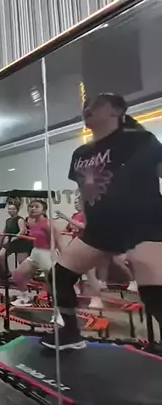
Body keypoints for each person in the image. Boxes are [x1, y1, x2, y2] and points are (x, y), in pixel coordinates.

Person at [45, 93, 162, 350]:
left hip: (143, 226)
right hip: (100, 230)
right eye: (86, 105)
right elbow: (84, 193)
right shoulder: (81, 153)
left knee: (154, 294)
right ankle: (71, 334)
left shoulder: (140, 140)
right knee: (58, 278)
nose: (88, 108)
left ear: (116, 111)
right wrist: (88, 224)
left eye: (96, 104)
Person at [10, 200, 62, 306]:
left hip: (47, 254)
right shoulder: (33, 222)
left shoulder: (48, 223)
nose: (32, 208)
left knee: (51, 285)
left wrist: (59, 255)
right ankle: (25, 297)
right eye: (31, 206)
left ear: (43, 210)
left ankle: (59, 308)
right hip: (36, 252)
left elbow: (58, 240)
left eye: (36, 206)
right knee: (17, 275)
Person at [55, 198, 104, 309]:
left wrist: (65, 217)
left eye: (79, 202)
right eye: (75, 202)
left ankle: (97, 299)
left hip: (88, 247)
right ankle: (75, 293)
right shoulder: (75, 215)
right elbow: (68, 228)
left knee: (90, 275)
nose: (76, 204)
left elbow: (84, 226)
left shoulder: (89, 215)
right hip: (76, 246)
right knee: (71, 273)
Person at [0, 200, 30, 273]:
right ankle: (6, 272)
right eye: (9, 209)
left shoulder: (20, 219)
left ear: (17, 210)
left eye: (13, 209)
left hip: (20, 242)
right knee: (0, 256)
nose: (11, 210)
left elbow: (22, 231)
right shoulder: (8, 220)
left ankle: (26, 275)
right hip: (10, 241)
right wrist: (1, 240)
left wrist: (14, 238)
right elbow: (5, 231)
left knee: (22, 262)